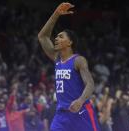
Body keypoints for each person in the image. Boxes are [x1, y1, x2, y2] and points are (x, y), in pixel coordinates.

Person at [38, 2, 100, 131]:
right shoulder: (57, 59)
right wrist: (56, 14)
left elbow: (90, 84)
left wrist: (80, 100)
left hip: (81, 112)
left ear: (70, 42)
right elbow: (42, 36)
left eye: (60, 37)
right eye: (56, 37)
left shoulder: (78, 60)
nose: (56, 39)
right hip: (62, 115)